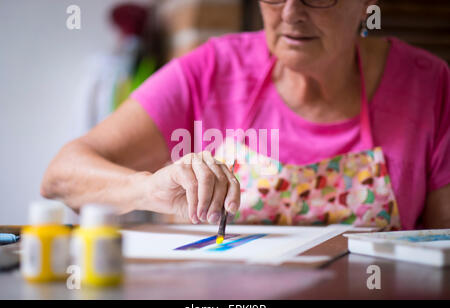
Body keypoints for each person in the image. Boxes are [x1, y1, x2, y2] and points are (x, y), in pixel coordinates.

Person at [41, 0, 450, 230]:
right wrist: (146, 190)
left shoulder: (428, 85)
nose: (290, 12)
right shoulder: (211, 70)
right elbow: (61, 176)